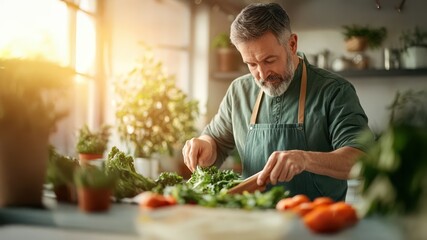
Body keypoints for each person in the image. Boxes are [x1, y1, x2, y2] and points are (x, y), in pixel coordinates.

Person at [182, 3, 373, 201]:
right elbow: (216, 142)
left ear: (292, 44)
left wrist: (305, 159)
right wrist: (205, 146)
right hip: (255, 221)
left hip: (316, 223)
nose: (262, 74)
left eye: (269, 60)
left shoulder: (334, 91)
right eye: (251, 64)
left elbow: (361, 158)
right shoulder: (239, 91)